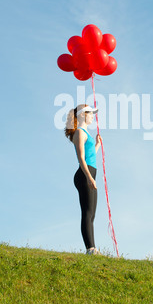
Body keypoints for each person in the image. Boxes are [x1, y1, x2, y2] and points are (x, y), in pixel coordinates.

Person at [65, 104, 102, 255]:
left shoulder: (86, 132)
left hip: (90, 173)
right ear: (82, 115)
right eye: (90, 113)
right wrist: (88, 177)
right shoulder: (79, 133)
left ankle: (92, 248)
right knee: (87, 212)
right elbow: (81, 158)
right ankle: (90, 249)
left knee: (92, 213)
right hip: (84, 174)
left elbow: (90, 155)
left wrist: (98, 144)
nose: (93, 116)